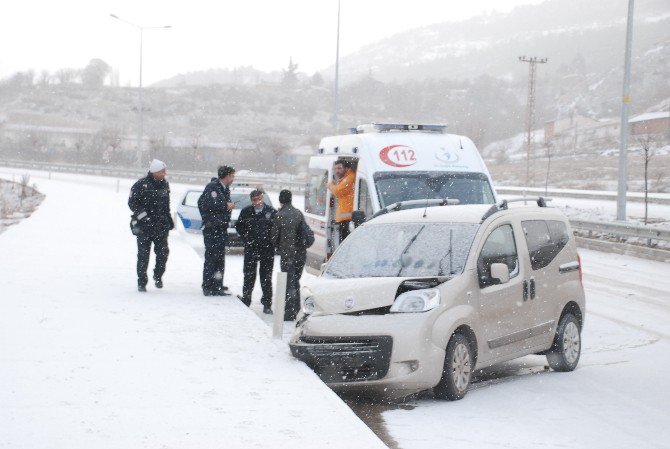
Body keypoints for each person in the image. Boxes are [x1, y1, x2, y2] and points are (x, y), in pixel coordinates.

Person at [128, 159, 174, 292]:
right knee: (143, 255)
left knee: (163, 254)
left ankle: (158, 275)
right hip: (144, 227)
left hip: (161, 227)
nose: (164, 174)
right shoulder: (140, 185)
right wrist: (145, 217)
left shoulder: (165, 185)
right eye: (162, 172)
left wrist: (169, 220)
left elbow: (166, 205)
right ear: (154, 172)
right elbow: (132, 204)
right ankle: (141, 282)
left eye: (164, 171)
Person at [235, 190, 277, 314]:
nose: (257, 202)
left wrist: (271, 241)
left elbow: (276, 229)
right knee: (249, 275)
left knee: (266, 277)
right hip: (251, 248)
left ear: (262, 198)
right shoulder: (246, 211)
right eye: (254, 200)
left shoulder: (271, 211)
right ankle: (246, 299)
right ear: (251, 200)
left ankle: (267, 303)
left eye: (259, 199)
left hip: (267, 249)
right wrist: (247, 238)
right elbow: (239, 226)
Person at [198, 165, 235, 296]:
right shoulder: (212, 187)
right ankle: (207, 286)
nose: (233, 178)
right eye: (232, 176)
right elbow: (208, 204)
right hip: (212, 229)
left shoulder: (225, 189)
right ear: (227, 176)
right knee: (211, 258)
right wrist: (226, 205)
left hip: (221, 228)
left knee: (220, 259)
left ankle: (217, 284)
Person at [272, 189, 307, 321]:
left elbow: (274, 237)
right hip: (301, 253)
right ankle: (296, 307)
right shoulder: (298, 213)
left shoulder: (279, 215)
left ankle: (289, 312)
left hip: (288, 254)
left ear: (280, 200)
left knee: (288, 282)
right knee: (295, 281)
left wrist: (277, 246)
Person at [327, 159, 355, 243]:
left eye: (339, 168)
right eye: (336, 169)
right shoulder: (345, 178)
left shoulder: (350, 177)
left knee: (344, 243)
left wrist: (330, 185)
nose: (337, 171)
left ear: (346, 168)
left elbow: (338, 191)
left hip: (347, 218)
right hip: (344, 218)